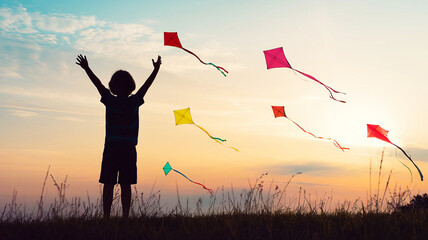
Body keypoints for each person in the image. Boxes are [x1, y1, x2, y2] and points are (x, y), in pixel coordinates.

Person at [76, 54, 161, 218]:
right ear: (131, 86)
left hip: (111, 147)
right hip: (129, 148)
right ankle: (125, 217)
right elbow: (146, 85)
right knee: (126, 184)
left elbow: (98, 84)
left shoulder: (110, 100)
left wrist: (87, 68)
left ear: (113, 86)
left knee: (108, 183)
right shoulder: (135, 101)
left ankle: (106, 217)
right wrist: (156, 70)